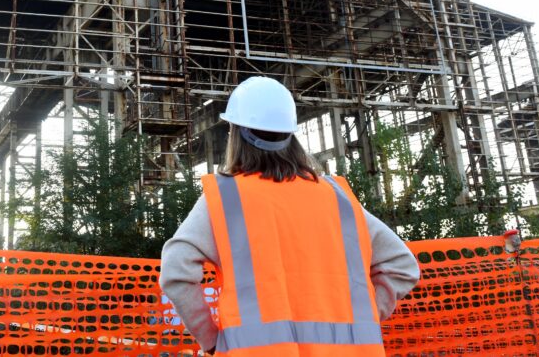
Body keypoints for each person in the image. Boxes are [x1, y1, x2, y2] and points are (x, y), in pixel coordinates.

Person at [159, 77, 419, 356]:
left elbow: (176, 271)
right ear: (291, 136)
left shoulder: (226, 199)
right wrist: (363, 319)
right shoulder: (337, 198)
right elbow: (402, 266)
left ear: (236, 134)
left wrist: (210, 339)